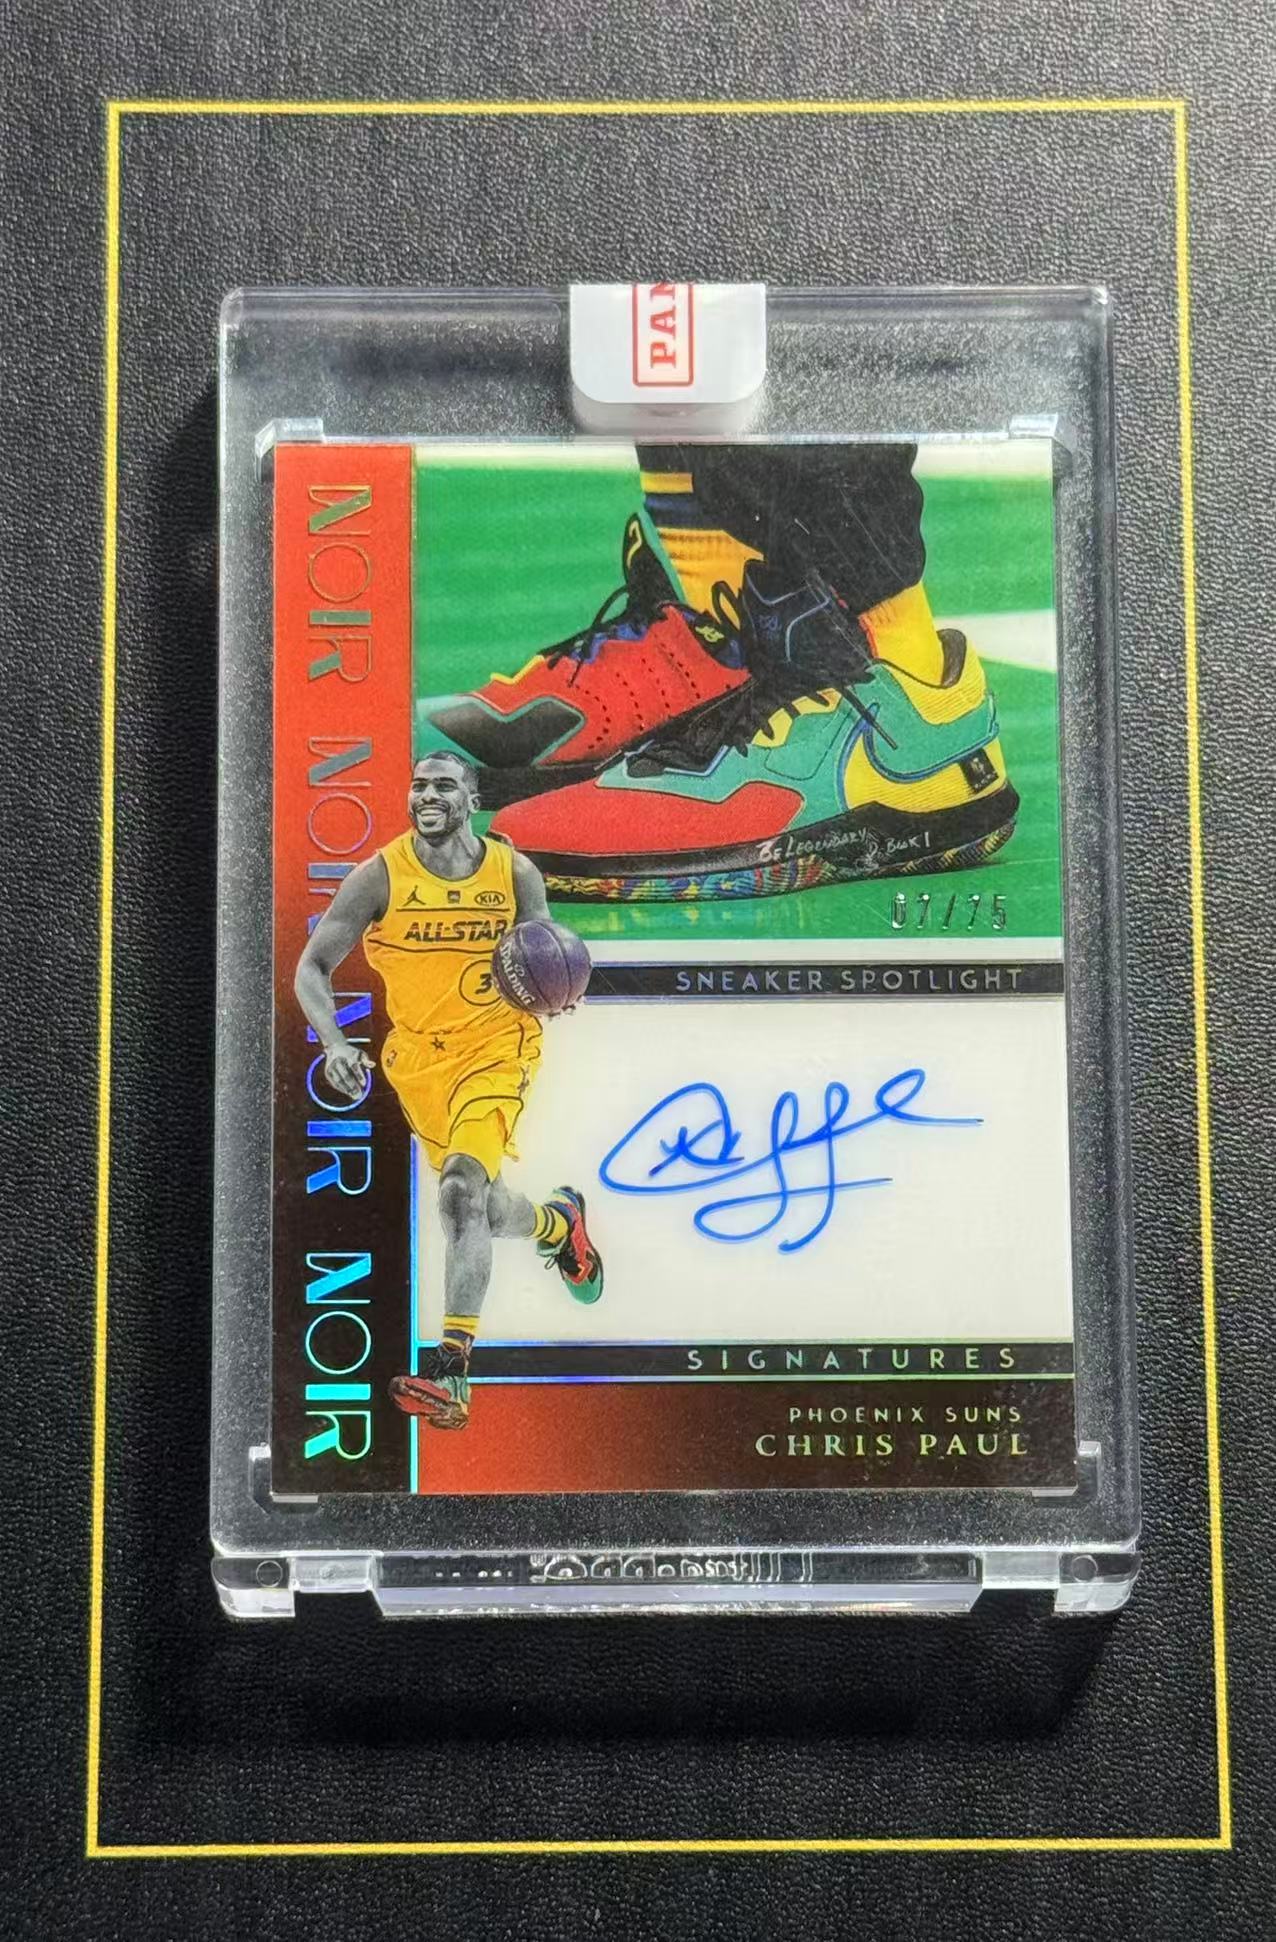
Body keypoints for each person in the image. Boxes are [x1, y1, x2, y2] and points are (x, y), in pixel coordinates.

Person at [294, 750, 603, 1432]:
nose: (427, 795)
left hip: (497, 1049)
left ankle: (451, 1369)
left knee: (460, 1193)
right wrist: (335, 1043)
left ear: (472, 799)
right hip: (420, 1063)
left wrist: (559, 989)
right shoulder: (378, 877)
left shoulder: (513, 872)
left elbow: (549, 952)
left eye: (443, 785)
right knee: (482, 1209)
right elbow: (311, 968)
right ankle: (559, 1224)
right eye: (418, 785)